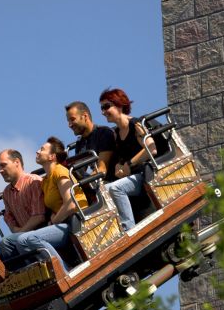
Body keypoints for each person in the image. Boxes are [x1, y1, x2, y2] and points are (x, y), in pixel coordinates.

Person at [16, 137, 88, 270]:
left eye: (42, 149)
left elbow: (71, 204)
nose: (37, 151)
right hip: (63, 222)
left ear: (52, 156)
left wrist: (55, 220)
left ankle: (63, 272)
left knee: (31, 239)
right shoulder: (45, 181)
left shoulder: (59, 171)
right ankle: (44, 273)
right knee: (21, 241)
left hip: (78, 220)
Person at [99, 88, 157, 231]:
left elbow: (151, 148)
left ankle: (128, 228)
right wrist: (119, 166)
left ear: (119, 105)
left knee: (115, 188)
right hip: (133, 176)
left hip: (146, 174)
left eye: (106, 107)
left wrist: (130, 164)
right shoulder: (117, 132)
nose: (103, 112)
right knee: (104, 190)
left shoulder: (135, 124)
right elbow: (122, 156)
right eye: (102, 108)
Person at [0, 149, 45, 260]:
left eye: (3, 165)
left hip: (40, 231)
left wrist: (20, 232)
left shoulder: (33, 181)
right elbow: (9, 218)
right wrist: (15, 230)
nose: (0, 171)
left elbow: (39, 216)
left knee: (6, 242)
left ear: (17, 162)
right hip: (22, 235)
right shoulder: (7, 192)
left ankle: (29, 269)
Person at [65, 101, 116, 181]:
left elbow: (102, 169)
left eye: (72, 119)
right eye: (68, 121)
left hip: (110, 182)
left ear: (85, 116)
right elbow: (79, 172)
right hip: (95, 183)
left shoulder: (104, 133)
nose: (69, 125)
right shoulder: (80, 143)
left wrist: (83, 184)